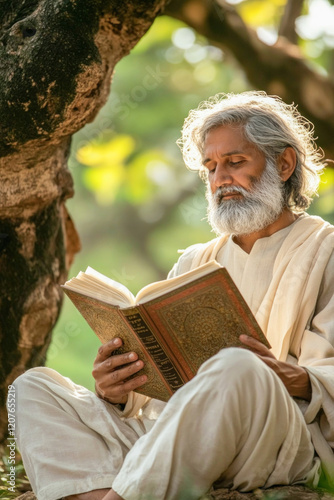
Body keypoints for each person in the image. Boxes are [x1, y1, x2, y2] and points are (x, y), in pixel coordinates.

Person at [12, 91, 334, 500]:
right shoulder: (195, 263)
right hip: (171, 436)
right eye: (211, 168)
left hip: (272, 439)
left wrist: (297, 377)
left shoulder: (327, 252)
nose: (221, 179)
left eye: (235, 162)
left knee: (237, 367)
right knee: (32, 388)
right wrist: (117, 392)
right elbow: (160, 393)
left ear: (284, 164)